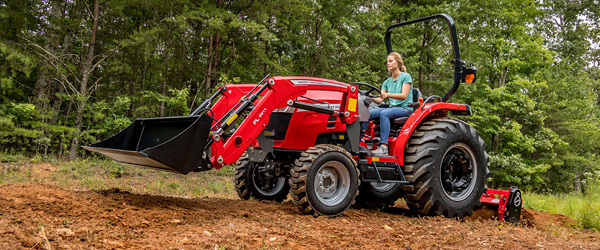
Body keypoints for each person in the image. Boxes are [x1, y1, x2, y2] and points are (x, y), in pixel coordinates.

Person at [369, 52, 414, 155]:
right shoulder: (387, 82)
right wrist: (369, 96)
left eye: (391, 61)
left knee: (384, 113)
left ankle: (384, 147)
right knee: (368, 113)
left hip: (405, 109)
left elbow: (403, 95)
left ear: (398, 63)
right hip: (392, 108)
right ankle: (362, 142)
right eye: (387, 62)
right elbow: (380, 100)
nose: (388, 64)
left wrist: (388, 95)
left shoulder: (405, 77)